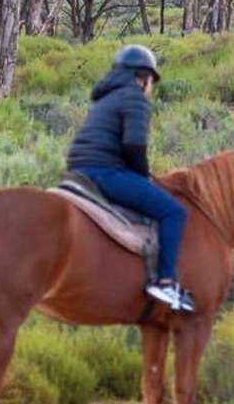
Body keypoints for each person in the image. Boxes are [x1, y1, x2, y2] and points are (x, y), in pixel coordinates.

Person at [65, 44, 192, 312]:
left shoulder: (106, 98)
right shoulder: (134, 98)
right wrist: (143, 175)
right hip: (105, 172)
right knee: (173, 212)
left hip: (79, 170)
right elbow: (134, 146)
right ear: (143, 77)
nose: (150, 87)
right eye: (150, 81)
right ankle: (166, 282)